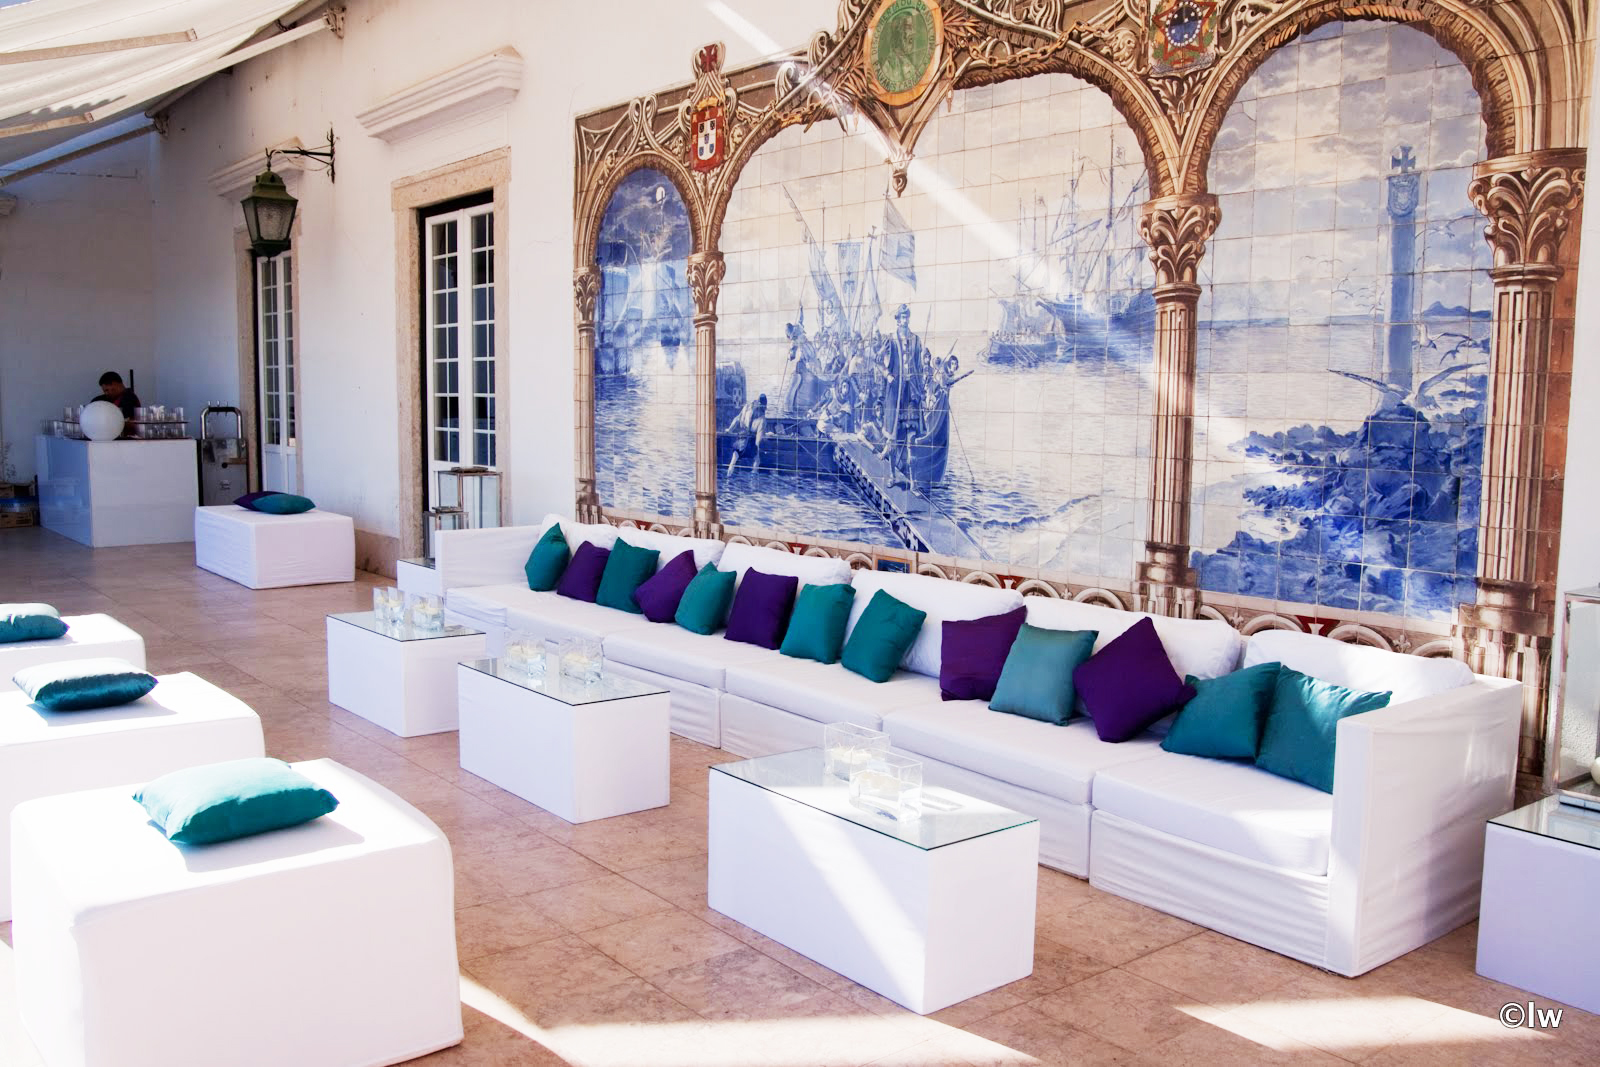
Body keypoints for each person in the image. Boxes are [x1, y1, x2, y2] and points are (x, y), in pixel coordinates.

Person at [724, 393, 768, 475]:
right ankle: (753, 479)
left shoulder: (746, 407)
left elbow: (737, 419)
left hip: (741, 440)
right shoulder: (762, 419)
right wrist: (764, 439)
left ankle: (728, 478)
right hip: (750, 443)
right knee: (757, 460)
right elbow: (758, 440)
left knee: (733, 459)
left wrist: (729, 430)